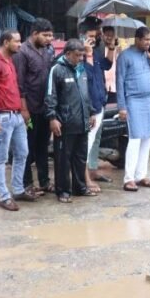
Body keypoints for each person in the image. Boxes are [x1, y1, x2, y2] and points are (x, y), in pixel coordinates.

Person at [0, 30, 39, 211]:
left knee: (22, 153)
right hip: (2, 116)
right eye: (16, 41)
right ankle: (4, 195)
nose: (20, 44)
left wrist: (22, 110)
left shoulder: (10, 61)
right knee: (0, 158)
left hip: (15, 115)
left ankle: (17, 189)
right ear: (6, 42)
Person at [45, 39, 96, 201]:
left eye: (82, 55)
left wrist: (91, 112)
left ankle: (80, 187)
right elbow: (50, 96)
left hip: (82, 122)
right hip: (65, 123)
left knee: (80, 157)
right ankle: (63, 191)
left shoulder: (81, 70)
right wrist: (52, 118)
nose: (80, 58)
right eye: (77, 55)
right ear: (67, 54)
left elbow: (86, 95)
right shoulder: (57, 70)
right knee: (63, 160)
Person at [13, 18, 55, 195]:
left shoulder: (48, 51)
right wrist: (24, 109)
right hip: (29, 110)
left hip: (45, 108)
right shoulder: (22, 53)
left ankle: (44, 181)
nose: (49, 39)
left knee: (43, 146)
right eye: (45, 35)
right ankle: (27, 184)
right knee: (27, 148)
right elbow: (19, 84)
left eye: (51, 35)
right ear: (34, 34)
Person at [116, 26, 150, 192]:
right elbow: (119, 81)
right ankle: (129, 178)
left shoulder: (148, 55)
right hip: (133, 100)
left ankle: (141, 175)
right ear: (137, 39)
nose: (149, 43)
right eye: (146, 40)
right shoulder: (125, 56)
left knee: (147, 138)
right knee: (134, 139)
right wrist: (122, 106)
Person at [82, 22, 110, 193]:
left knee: (94, 141)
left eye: (95, 36)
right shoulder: (77, 54)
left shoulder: (97, 51)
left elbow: (106, 66)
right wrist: (87, 54)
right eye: (90, 36)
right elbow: (87, 77)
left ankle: (92, 171)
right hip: (87, 106)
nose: (94, 39)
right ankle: (84, 178)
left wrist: (111, 48)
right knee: (86, 142)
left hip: (99, 103)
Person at [102, 24, 120, 105]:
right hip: (102, 87)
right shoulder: (99, 50)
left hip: (114, 87)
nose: (109, 37)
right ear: (102, 35)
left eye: (111, 36)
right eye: (107, 35)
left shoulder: (117, 50)